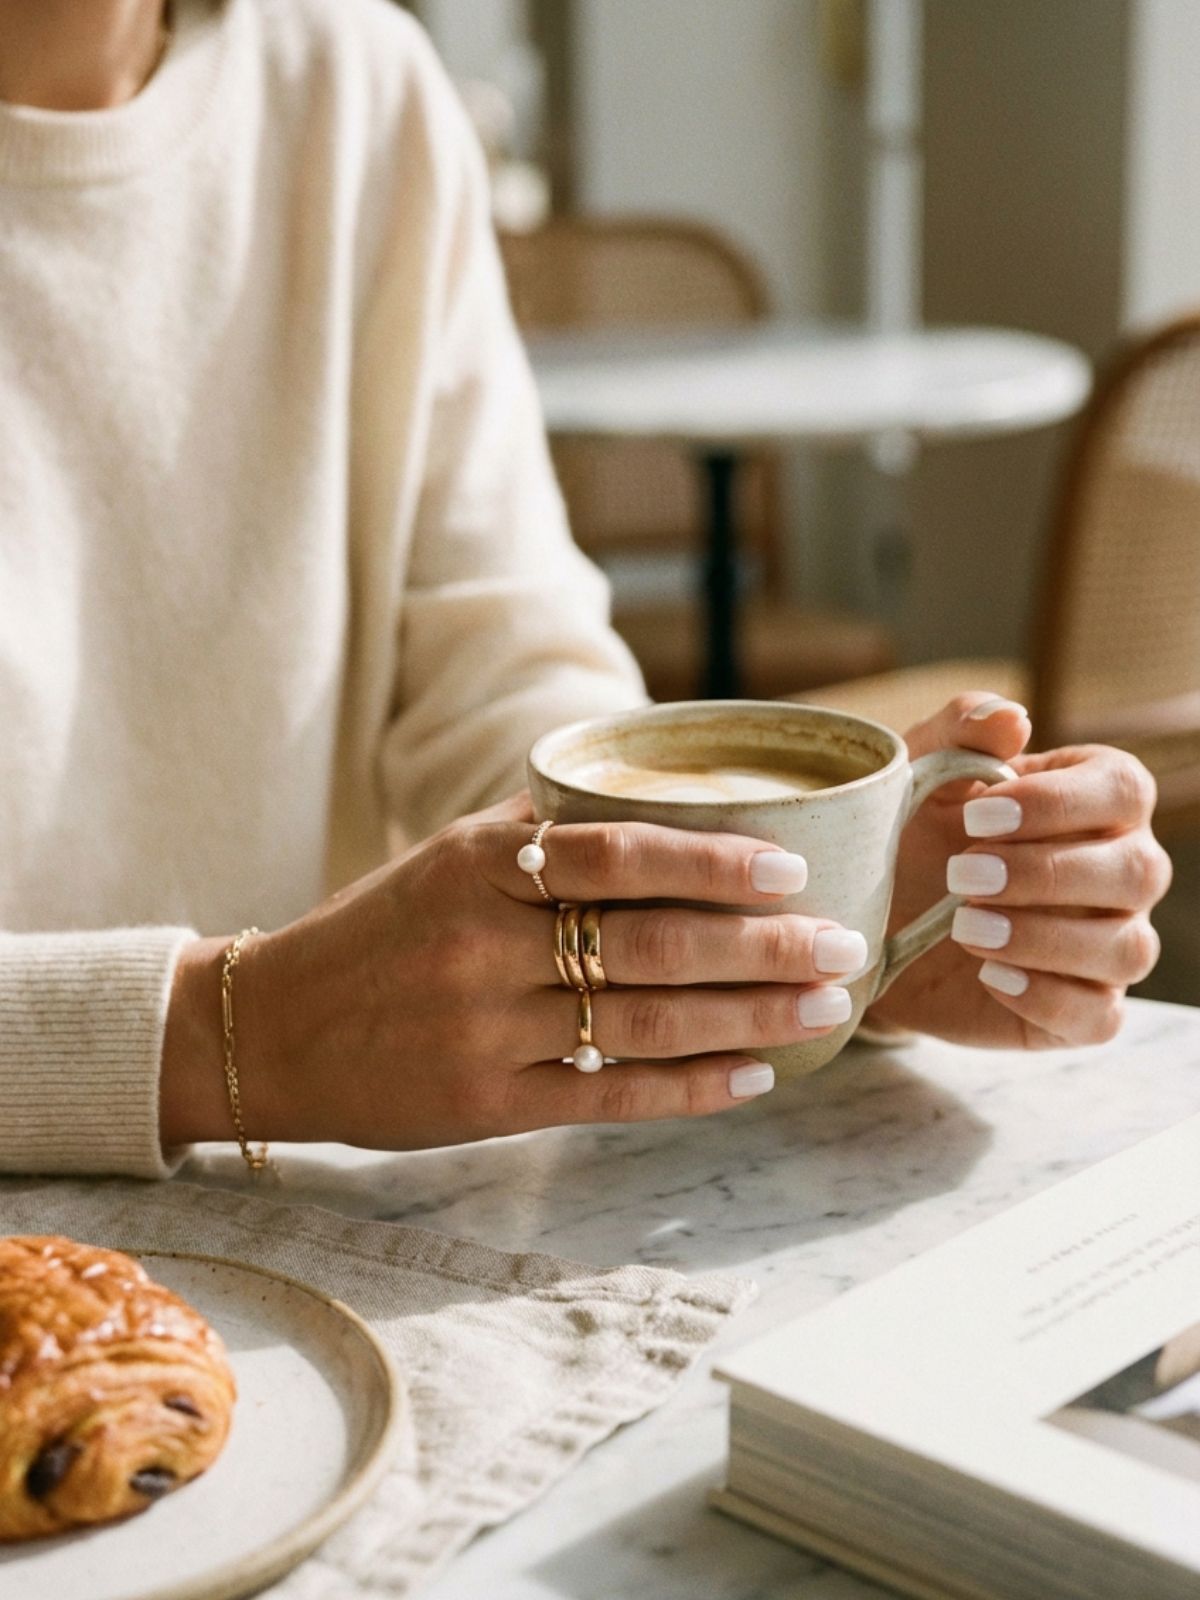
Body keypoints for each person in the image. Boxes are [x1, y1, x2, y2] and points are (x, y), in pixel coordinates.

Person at [0, 0, 1170, 1180]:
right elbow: (277, 1026)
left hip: (308, 1241)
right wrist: (234, 1032)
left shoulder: (355, 88)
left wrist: (802, 905)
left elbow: (505, 675)